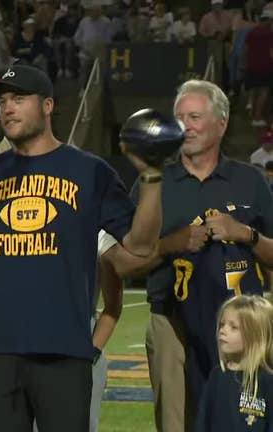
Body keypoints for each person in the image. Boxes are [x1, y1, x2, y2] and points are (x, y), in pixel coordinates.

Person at [0, 64, 163, 431]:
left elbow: (139, 246)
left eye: (19, 98)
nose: (7, 108)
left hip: (63, 351)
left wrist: (152, 178)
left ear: (47, 106)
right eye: (2, 101)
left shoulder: (90, 170)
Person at [130, 80, 273, 432]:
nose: (185, 126)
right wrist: (170, 244)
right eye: (179, 118)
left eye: (195, 116)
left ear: (221, 124)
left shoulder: (250, 181)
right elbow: (125, 260)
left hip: (241, 325)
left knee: (244, 421)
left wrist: (246, 234)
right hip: (171, 320)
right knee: (176, 423)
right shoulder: (153, 182)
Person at [195, 295, 273, 431]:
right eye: (222, 324)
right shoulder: (217, 376)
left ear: (254, 335)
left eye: (233, 327)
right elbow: (203, 423)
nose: (223, 330)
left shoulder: (267, 381)